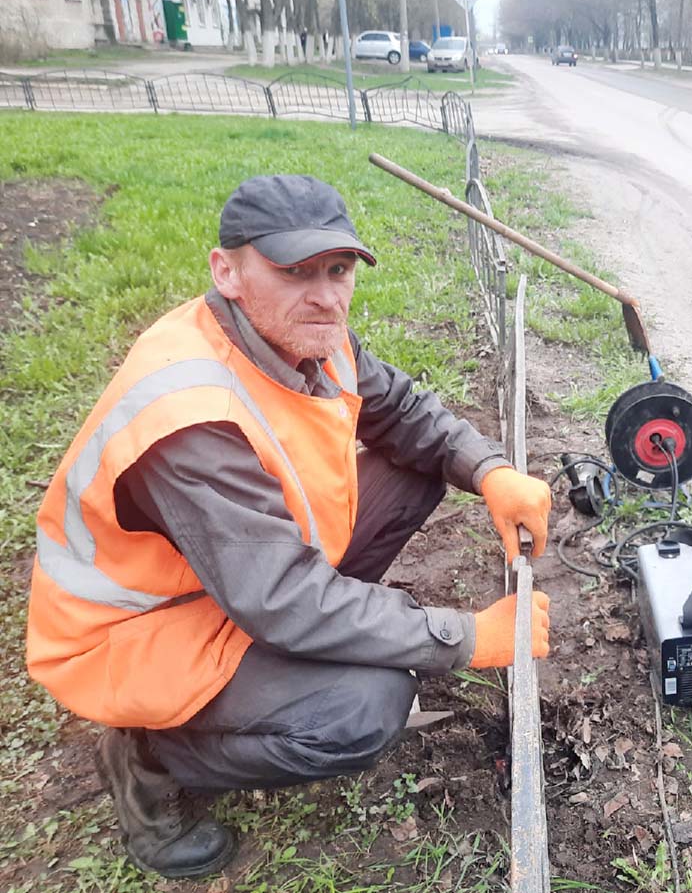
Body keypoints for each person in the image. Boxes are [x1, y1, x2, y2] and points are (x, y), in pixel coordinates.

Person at [25, 175, 553, 878]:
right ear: (227, 271)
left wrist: (488, 469)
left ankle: (306, 652)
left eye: (338, 270)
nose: (327, 294)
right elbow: (283, 598)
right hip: (141, 631)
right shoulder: (191, 412)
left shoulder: (309, 336)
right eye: (295, 271)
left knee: (418, 468)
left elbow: (400, 410)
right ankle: (148, 752)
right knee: (367, 705)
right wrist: (463, 635)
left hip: (238, 577)